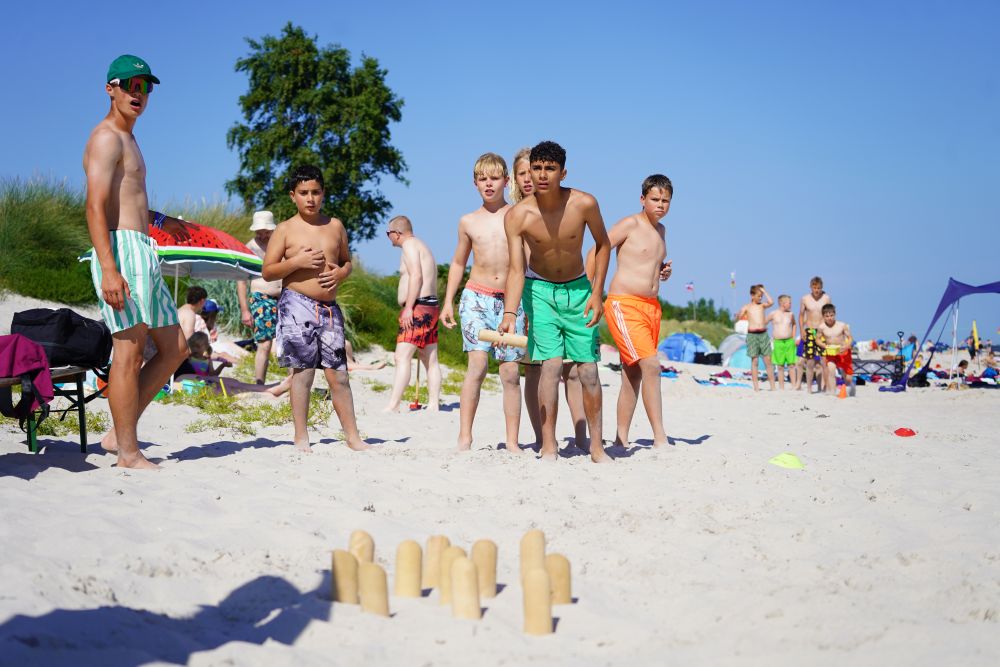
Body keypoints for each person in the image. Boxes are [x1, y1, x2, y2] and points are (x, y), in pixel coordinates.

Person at [83, 54, 190, 469]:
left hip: (142, 249)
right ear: (110, 88)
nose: (138, 93)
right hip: (121, 251)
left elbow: (127, 199)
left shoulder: (129, 138)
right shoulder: (106, 137)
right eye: (130, 85)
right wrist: (110, 268)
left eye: (144, 87)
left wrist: (161, 221)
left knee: (175, 348)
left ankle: (118, 434)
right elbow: (95, 207)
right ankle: (128, 452)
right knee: (128, 354)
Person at [499, 141, 612, 463]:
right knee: (549, 365)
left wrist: (597, 292)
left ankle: (597, 447)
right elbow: (516, 269)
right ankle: (549, 446)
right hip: (539, 291)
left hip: (579, 291)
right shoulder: (518, 215)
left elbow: (604, 245)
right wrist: (510, 312)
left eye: (550, 169)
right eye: (537, 168)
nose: (542, 175)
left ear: (563, 172)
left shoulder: (584, 203)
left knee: (587, 370)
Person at [261, 165, 368, 453]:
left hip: (329, 308)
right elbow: (268, 272)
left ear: (323, 193)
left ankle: (353, 438)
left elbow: (346, 261)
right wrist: (296, 263)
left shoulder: (335, 226)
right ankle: (301, 437)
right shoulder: (285, 229)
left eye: (315, 192)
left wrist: (341, 274)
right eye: (303, 193)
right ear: (292, 196)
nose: (310, 198)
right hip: (297, 304)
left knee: (339, 375)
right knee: (303, 373)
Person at [440, 153, 525, 452]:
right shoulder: (468, 221)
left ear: (506, 181)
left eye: (494, 178)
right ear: (475, 183)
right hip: (476, 297)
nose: (489, 184)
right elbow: (458, 262)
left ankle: (512, 441)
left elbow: (530, 262)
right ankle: (465, 436)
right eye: (482, 179)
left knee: (510, 372)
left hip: (511, 301)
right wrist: (448, 301)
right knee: (477, 366)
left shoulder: (518, 215)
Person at [510, 147, 588, 450]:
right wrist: (516, 310)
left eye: (533, 172)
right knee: (537, 368)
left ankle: (581, 437)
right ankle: (544, 438)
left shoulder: (565, 206)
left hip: (565, 291)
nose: (530, 178)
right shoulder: (517, 215)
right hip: (530, 294)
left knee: (573, 369)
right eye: (523, 173)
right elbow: (515, 268)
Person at [588, 174, 673, 449]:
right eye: (655, 199)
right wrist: (590, 292)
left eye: (665, 201)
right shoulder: (630, 224)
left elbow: (647, 262)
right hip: (624, 304)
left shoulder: (661, 231)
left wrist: (662, 272)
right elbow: (597, 250)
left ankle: (621, 438)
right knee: (651, 365)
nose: (660, 205)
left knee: (633, 373)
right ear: (642, 199)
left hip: (651, 307)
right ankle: (660, 437)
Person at [383, 215, 442, 412]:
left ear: (397, 233)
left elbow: (416, 276)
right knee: (429, 358)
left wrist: (408, 307)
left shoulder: (409, 245)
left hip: (418, 306)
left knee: (402, 356)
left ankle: (393, 405)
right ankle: (433, 404)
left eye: (388, 233)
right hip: (430, 306)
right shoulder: (421, 246)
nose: (388, 237)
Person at [237, 211, 285, 384]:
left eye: (267, 232)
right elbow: (241, 281)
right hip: (261, 297)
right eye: (259, 232)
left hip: (284, 297)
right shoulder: (249, 248)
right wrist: (245, 311)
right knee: (264, 343)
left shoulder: (281, 244)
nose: (263, 236)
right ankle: (259, 383)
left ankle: (293, 383)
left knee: (289, 342)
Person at [176, 332, 289, 397]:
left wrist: (222, 364)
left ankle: (267, 388)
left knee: (232, 382)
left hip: (195, 377)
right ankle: (265, 392)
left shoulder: (205, 358)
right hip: (184, 380)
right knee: (220, 386)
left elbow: (213, 371)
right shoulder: (188, 357)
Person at [735, 285, 776, 391]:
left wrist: (764, 291)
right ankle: (756, 387)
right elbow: (738, 316)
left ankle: (772, 386)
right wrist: (738, 316)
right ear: (752, 295)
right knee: (755, 361)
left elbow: (771, 302)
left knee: (768, 360)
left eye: (761, 296)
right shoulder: (747, 307)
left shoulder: (762, 305)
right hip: (752, 335)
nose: (760, 298)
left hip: (763, 334)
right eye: (758, 296)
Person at [798, 276, 831, 393]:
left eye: (819, 288)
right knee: (810, 362)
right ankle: (809, 388)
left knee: (822, 362)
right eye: (814, 288)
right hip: (810, 330)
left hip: (822, 331)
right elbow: (801, 315)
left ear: (822, 287)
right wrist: (802, 330)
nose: (816, 290)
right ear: (811, 287)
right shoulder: (805, 298)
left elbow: (829, 314)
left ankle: (822, 387)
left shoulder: (826, 298)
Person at [817, 303, 854, 396]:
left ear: (835, 314)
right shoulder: (821, 327)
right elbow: (817, 339)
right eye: (827, 316)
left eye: (831, 315)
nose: (829, 318)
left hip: (843, 351)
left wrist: (846, 346)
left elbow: (850, 338)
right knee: (831, 371)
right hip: (831, 352)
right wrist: (823, 345)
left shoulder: (842, 325)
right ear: (823, 316)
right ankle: (833, 392)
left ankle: (849, 388)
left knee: (848, 378)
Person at [769, 294, 798, 389]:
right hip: (778, 342)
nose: (791, 304)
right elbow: (764, 322)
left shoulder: (791, 314)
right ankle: (781, 387)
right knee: (780, 366)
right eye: (789, 303)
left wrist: (793, 337)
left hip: (789, 342)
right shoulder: (773, 314)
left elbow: (794, 325)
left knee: (791, 365)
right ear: (782, 303)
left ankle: (794, 386)